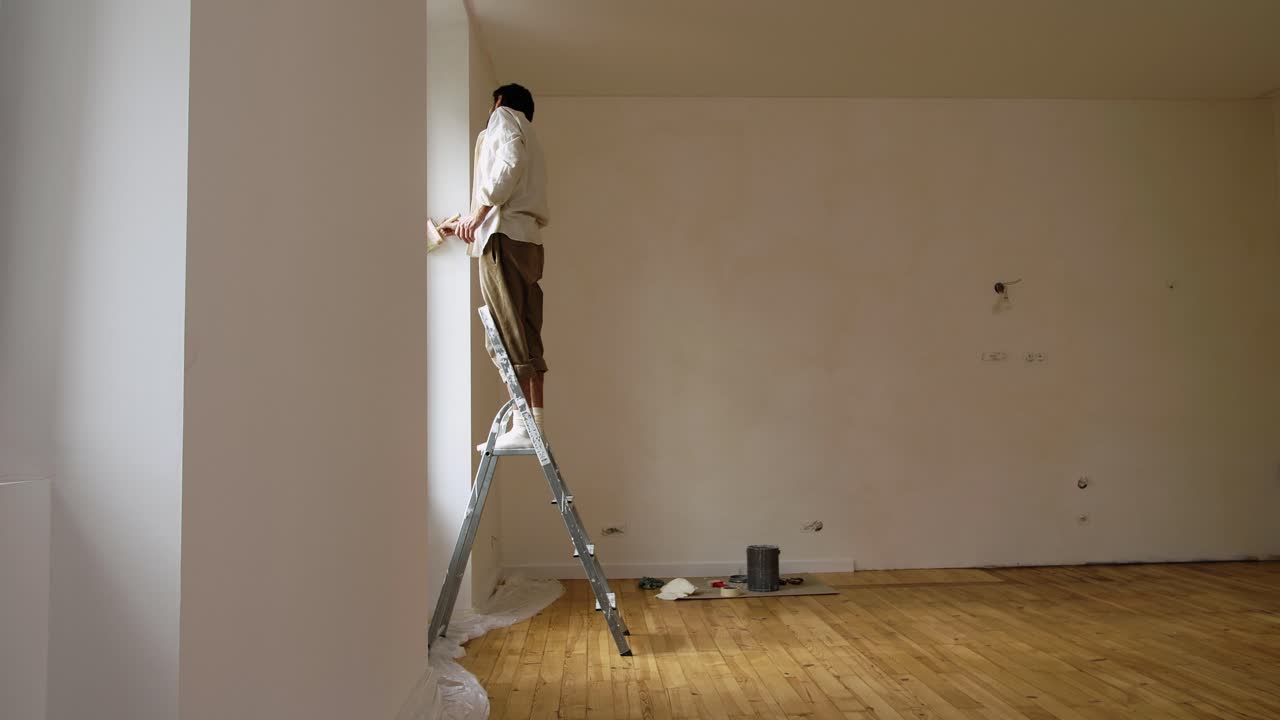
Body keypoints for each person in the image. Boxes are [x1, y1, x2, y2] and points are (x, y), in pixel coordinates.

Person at [442, 83, 550, 450]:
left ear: (499, 101)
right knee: (527, 329)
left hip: (503, 238)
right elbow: (516, 174)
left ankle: (521, 428)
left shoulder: (503, 118)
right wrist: (470, 222)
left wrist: (479, 213)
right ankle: (534, 423)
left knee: (504, 332)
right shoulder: (530, 132)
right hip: (528, 240)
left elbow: (508, 164)